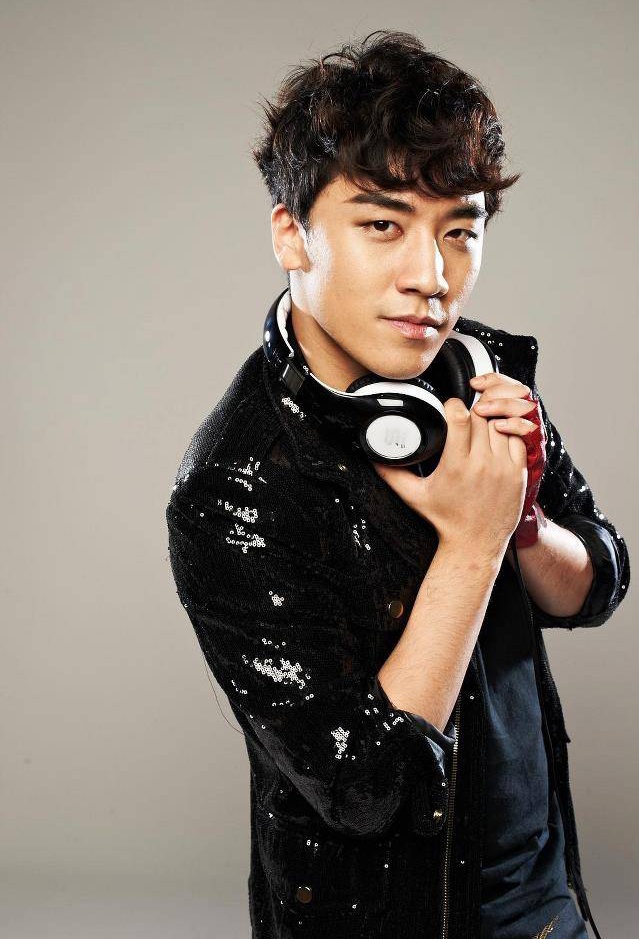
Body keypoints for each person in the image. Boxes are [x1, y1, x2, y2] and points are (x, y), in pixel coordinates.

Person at [165, 30, 629, 939]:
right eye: (381, 225)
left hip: (544, 901)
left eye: (459, 232)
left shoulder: (477, 372)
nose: (430, 278)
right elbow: (366, 785)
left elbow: (596, 584)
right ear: (291, 234)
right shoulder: (237, 485)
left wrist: (524, 523)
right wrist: (471, 545)